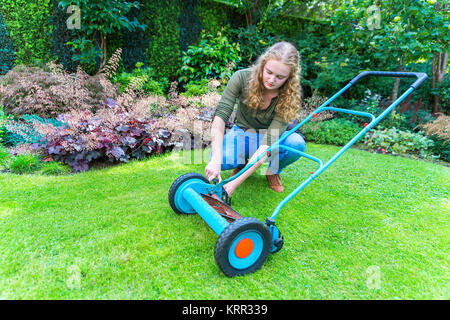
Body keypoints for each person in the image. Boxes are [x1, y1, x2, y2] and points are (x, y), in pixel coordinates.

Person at [205, 41, 306, 200]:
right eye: (269, 72)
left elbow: (267, 144)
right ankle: (241, 164)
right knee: (220, 159)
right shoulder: (241, 77)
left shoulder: (289, 97)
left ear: (289, 78)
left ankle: (272, 171)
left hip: (269, 139)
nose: (272, 80)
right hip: (242, 133)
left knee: (296, 144)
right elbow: (220, 117)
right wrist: (216, 161)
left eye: (280, 77)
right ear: (262, 65)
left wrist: (232, 185)